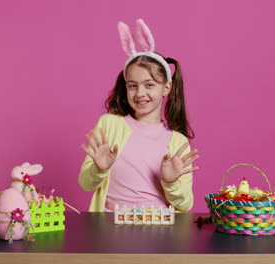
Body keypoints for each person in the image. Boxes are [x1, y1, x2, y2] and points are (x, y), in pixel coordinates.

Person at [78, 19, 199, 212]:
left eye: (149, 84)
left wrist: (171, 182)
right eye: (132, 86)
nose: (140, 93)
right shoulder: (109, 124)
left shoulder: (178, 141)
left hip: (159, 233)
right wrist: (99, 169)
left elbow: (185, 205)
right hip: (111, 230)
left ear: (166, 88)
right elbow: (86, 184)